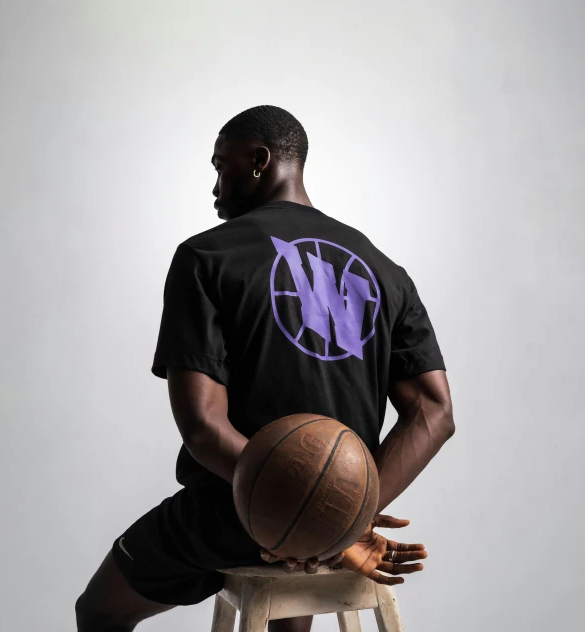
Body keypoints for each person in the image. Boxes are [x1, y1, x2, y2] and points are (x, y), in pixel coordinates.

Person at [75, 105, 455, 632]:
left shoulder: (206, 256)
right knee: (292, 586)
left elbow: (203, 426)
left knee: (96, 611)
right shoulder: (386, 270)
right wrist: (340, 519)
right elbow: (433, 412)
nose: (215, 185)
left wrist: (301, 513)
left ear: (259, 159)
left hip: (231, 515)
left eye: (220, 165)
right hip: (331, 532)